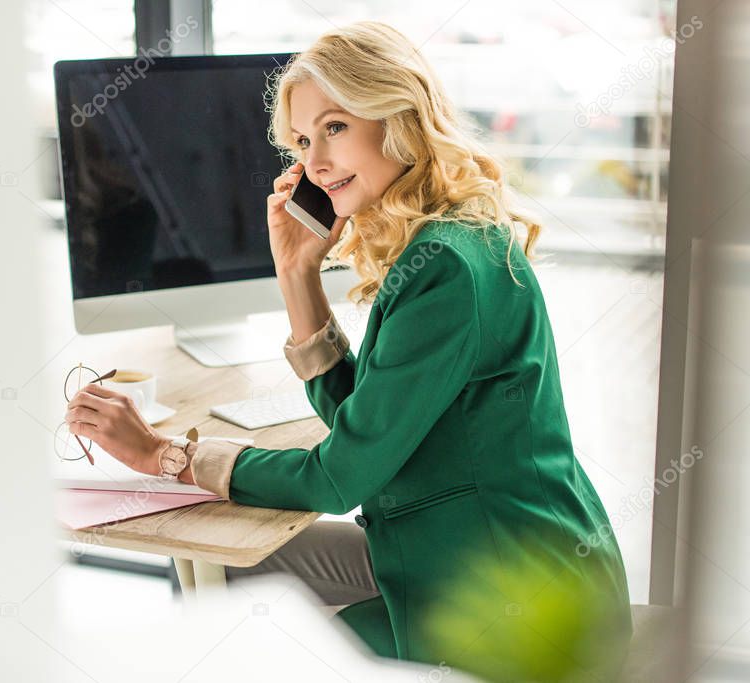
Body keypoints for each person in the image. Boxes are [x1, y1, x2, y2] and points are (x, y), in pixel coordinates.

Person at [64, 20, 632, 673]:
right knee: (242, 569)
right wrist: (297, 273)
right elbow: (360, 430)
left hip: (511, 596)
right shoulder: (445, 239)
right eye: (303, 141)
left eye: (334, 127)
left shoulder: (445, 268)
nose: (315, 164)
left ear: (397, 116)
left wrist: (163, 455)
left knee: (264, 643)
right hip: (469, 550)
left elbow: (340, 477)